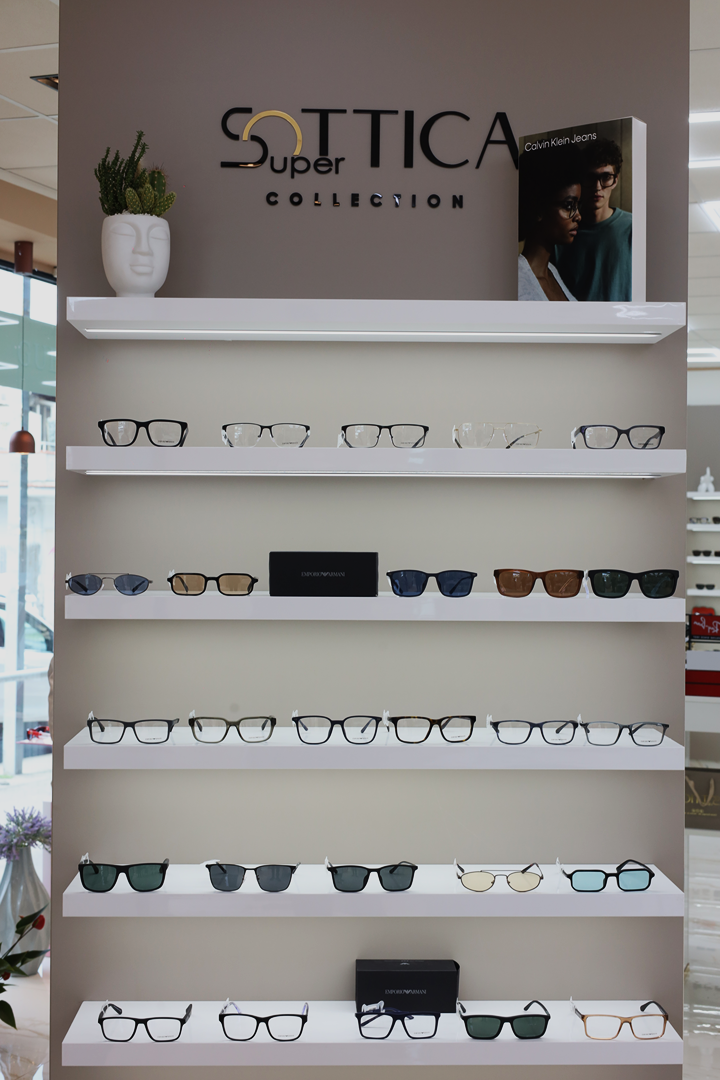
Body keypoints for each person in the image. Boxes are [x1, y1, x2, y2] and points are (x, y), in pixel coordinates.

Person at [554, 138, 632, 301]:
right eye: (590, 177)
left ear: (615, 180)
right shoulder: (563, 232)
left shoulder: (633, 228)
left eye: (606, 177)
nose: (597, 187)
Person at [518, 145, 582, 301]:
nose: (578, 216)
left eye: (578, 206)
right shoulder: (518, 283)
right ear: (539, 209)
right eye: (568, 206)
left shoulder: (552, 272)